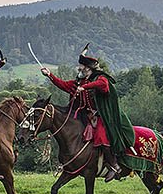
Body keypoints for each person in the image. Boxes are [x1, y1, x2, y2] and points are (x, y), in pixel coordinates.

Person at [40, 47, 136, 182]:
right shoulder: (77, 82)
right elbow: (62, 84)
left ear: (88, 69)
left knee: (101, 136)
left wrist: (85, 87)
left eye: (81, 67)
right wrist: (49, 75)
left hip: (103, 116)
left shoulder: (100, 78)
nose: (79, 69)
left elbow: (104, 85)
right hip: (85, 117)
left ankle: (114, 166)